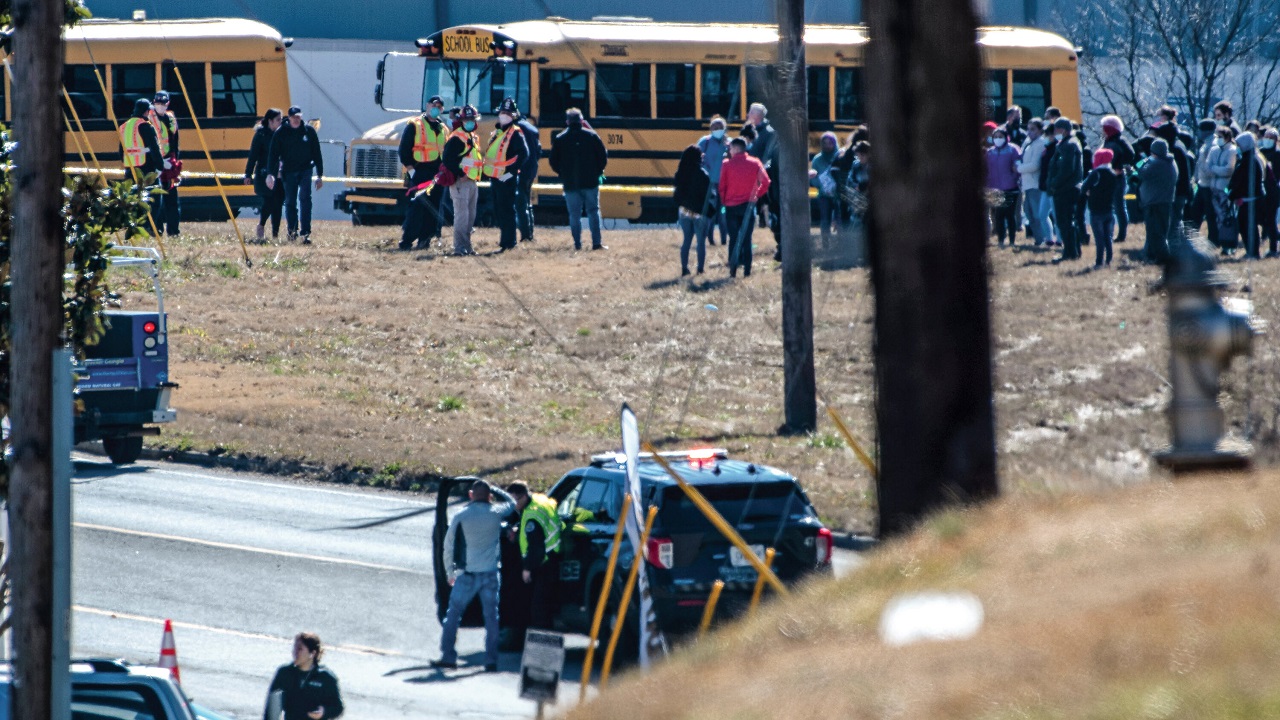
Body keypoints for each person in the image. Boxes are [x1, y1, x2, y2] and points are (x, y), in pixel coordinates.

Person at [432, 479, 516, 671]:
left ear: (470, 495)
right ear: (489, 496)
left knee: (452, 616)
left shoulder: (461, 515)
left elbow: (448, 546)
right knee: (492, 619)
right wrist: (495, 490)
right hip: (490, 575)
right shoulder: (496, 513)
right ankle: (490, 660)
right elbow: (512, 503)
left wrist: (449, 573)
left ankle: (448, 656)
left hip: (467, 575)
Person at [503, 482, 564, 650]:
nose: (513, 506)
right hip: (553, 558)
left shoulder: (531, 517)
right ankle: (546, 645)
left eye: (514, 501)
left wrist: (527, 569)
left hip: (543, 565)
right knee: (544, 606)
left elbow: (536, 548)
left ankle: (543, 648)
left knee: (539, 609)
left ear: (522, 497)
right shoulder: (538, 500)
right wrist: (517, 528)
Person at [548, 107, 608, 250]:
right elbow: (603, 157)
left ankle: (577, 244)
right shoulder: (592, 136)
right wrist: (598, 171)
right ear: (581, 120)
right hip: (591, 182)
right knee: (593, 211)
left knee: (574, 215)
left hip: (570, 184)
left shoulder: (560, 139)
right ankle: (596, 243)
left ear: (567, 121)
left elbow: (553, 161)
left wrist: (562, 174)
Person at [266, 107, 323, 245]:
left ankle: (305, 233)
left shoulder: (309, 131)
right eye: (293, 117)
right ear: (289, 118)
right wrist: (270, 174)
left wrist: (320, 175)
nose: (296, 119)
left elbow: (317, 153)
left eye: (298, 117)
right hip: (288, 172)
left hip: (305, 170)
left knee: (305, 199)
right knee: (290, 202)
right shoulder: (281, 133)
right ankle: (292, 232)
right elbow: (273, 155)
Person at [398, 95, 448, 251]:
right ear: (427, 106)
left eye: (439, 107)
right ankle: (406, 241)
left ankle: (425, 240)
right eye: (434, 105)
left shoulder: (444, 128)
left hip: (437, 175)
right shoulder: (414, 125)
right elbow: (404, 150)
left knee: (433, 209)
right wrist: (411, 171)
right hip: (419, 172)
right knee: (417, 209)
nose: (436, 109)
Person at [718, 136, 771, 278]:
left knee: (733, 239)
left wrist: (724, 201)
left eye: (730, 148)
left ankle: (733, 270)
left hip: (731, 206)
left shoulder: (726, 164)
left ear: (735, 148)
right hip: (748, 206)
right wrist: (756, 196)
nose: (729, 151)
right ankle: (747, 271)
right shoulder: (755, 163)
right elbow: (765, 182)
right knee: (747, 239)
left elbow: (722, 186)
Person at [483, 98, 530, 254]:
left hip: (507, 179)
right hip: (496, 178)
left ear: (513, 116)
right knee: (499, 210)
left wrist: (511, 172)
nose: (505, 115)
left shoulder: (515, 133)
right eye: (503, 112)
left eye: (508, 113)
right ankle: (505, 240)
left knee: (507, 210)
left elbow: (524, 154)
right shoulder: (497, 132)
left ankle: (509, 243)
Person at [263, 633, 344, 720]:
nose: (295, 652)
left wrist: (324, 712)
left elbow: (338, 707)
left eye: (300, 649)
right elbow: (272, 705)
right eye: (294, 648)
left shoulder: (325, 677)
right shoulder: (284, 673)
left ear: (312, 653)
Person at [441, 104, 484, 256]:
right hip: (461, 182)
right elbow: (447, 159)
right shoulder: (457, 137)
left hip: (472, 181)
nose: (470, 121)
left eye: (472, 119)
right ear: (462, 120)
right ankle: (459, 247)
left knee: (470, 215)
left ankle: (467, 246)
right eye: (467, 119)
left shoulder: (472, 136)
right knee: (461, 216)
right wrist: (460, 173)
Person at [118, 98, 167, 229]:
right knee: (154, 198)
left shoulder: (123, 127)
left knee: (133, 199)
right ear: (146, 112)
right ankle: (149, 227)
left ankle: (134, 226)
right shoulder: (145, 126)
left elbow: (121, 151)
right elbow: (154, 148)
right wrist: (160, 166)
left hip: (130, 169)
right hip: (146, 168)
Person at [744, 103, 780, 259]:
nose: (747, 115)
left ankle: (782, 247)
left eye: (750, 112)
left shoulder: (766, 133)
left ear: (757, 115)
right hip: (765, 179)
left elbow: (758, 155)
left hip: (770, 181)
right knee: (772, 213)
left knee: (775, 213)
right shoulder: (760, 131)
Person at [244, 108, 285, 242]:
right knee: (269, 201)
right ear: (270, 121)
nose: (280, 122)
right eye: (278, 120)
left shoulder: (281, 134)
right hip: (264, 175)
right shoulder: (261, 135)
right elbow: (253, 156)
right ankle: (261, 224)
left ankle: (275, 234)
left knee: (278, 203)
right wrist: (248, 174)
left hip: (279, 175)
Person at [1153, 122, 1194, 248]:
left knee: (1173, 220)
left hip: (1176, 191)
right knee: (1176, 219)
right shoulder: (1179, 146)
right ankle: (1177, 245)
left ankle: (1174, 247)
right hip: (1182, 190)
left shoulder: (1174, 149)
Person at [1047, 117, 1083, 260]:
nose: (1054, 132)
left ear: (1063, 129)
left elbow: (1066, 169)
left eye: (1056, 129)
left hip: (1065, 189)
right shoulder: (1070, 143)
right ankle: (1074, 251)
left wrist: (1054, 183)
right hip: (1069, 188)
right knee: (1069, 221)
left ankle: (1069, 253)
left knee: (1065, 222)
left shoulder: (1068, 145)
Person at [1138, 138, 1178, 264]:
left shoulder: (1156, 164)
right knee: (1159, 230)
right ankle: (1150, 255)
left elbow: (1141, 173)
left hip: (1154, 202)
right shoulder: (1171, 162)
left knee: (1155, 232)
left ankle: (1164, 259)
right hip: (1165, 200)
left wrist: (1145, 160)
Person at [1229, 131, 1267, 259]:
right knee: (1245, 225)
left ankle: (1253, 252)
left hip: (1250, 199)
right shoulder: (1246, 159)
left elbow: (1243, 181)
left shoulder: (1250, 161)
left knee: (1249, 226)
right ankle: (1251, 251)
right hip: (1247, 199)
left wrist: (1233, 194)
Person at [673, 144, 710, 276]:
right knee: (701, 241)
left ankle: (684, 268)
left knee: (686, 240)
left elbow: (677, 192)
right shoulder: (702, 174)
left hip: (684, 211)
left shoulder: (680, 173)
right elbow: (707, 194)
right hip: (699, 212)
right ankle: (700, 269)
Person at [148, 91, 181, 236]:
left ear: (167, 104)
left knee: (172, 200)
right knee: (157, 201)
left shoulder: (170, 119)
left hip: (168, 162)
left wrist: (174, 164)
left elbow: (174, 142)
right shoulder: (149, 119)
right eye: (157, 103)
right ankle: (158, 229)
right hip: (155, 163)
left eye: (163, 103)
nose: (160, 106)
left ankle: (174, 231)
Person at [1081, 148, 1119, 267]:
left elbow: (1083, 188)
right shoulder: (1113, 174)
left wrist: (1089, 192)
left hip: (1096, 210)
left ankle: (1099, 262)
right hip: (1109, 209)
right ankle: (1109, 260)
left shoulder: (1096, 173)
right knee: (1108, 237)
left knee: (1099, 238)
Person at [1099, 116, 1134, 244]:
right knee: (1115, 207)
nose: (1102, 131)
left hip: (1116, 179)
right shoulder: (1113, 141)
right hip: (1112, 177)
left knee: (1119, 207)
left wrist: (1119, 166)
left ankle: (1121, 235)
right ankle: (1112, 233)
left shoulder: (1116, 142)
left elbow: (1128, 156)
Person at [696, 116, 731, 246]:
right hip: (710, 185)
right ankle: (709, 238)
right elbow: (697, 160)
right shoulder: (704, 142)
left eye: (720, 127)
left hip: (725, 185)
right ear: (711, 128)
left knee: (723, 212)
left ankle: (724, 239)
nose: (718, 130)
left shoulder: (729, 144)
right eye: (715, 127)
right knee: (711, 213)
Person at [1205, 125, 1239, 254]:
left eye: (1220, 136)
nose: (1217, 139)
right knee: (1217, 218)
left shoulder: (1232, 150)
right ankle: (1222, 242)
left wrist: (1215, 169)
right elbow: (1207, 167)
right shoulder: (1214, 150)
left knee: (1227, 217)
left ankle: (1230, 245)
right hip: (1214, 188)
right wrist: (1216, 169)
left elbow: (1229, 169)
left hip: (1225, 189)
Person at [986, 127, 1022, 247]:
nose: (997, 139)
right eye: (995, 137)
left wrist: (1014, 177)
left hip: (1011, 187)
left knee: (1010, 214)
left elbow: (1018, 166)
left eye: (1000, 136)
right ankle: (1001, 239)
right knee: (998, 215)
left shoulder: (1013, 150)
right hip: (994, 188)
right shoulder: (990, 152)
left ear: (1006, 137)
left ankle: (1012, 240)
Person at [810, 131, 841, 254]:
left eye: (830, 143)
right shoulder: (817, 160)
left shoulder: (840, 156)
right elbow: (814, 178)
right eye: (825, 143)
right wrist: (823, 188)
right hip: (824, 195)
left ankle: (841, 244)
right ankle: (825, 245)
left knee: (840, 219)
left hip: (839, 194)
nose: (827, 145)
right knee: (825, 220)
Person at [1189, 118, 1219, 237]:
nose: (1198, 132)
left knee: (1210, 214)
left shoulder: (1213, 145)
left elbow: (1208, 166)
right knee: (1196, 211)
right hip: (1202, 184)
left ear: (1206, 131)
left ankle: (1213, 239)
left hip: (1209, 185)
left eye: (1200, 130)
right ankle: (1191, 238)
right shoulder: (1206, 143)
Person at [515, 111, 541, 243]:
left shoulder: (517, 128)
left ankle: (525, 235)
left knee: (520, 204)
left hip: (521, 169)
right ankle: (530, 232)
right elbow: (539, 150)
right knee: (527, 201)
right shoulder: (532, 128)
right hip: (532, 169)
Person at [1258, 127, 1280, 257]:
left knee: (1271, 219)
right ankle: (1272, 235)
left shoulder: (1277, 154)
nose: (1268, 140)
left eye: (1271, 138)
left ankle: (1273, 248)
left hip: (1273, 190)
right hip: (1261, 189)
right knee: (1262, 218)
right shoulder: (1260, 152)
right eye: (1266, 137)